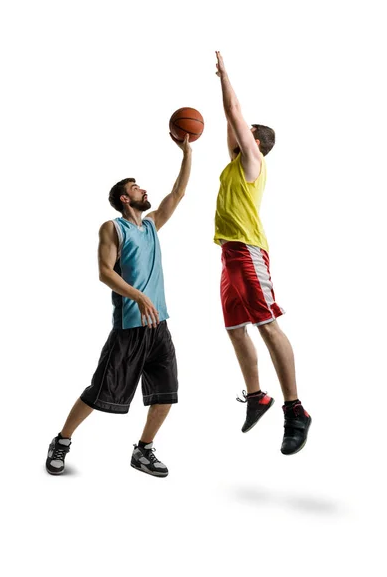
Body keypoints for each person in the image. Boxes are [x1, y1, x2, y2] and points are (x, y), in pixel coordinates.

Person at [45, 133, 192, 477]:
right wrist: (139, 296)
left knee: (166, 393)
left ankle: (143, 450)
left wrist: (187, 153)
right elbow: (104, 273)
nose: (145, 190)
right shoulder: (113, 228)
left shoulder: (153, 225)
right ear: (126, 198)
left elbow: (178, 193)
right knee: (100, 392)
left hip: (159, 326)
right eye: (137, 187)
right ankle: (62, 441)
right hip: (129, 327)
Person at [214, 51, 311, 455]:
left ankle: (296, 410)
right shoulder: (235, 163)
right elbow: (229, 119)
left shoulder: (253, 160)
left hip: (249, 251)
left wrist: (224, 74)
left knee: (267, 325)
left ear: (255, 140)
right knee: (236, 329)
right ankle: (258, 397)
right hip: (229, 254)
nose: (237, 132)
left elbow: (233, 110)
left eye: (244, 131)